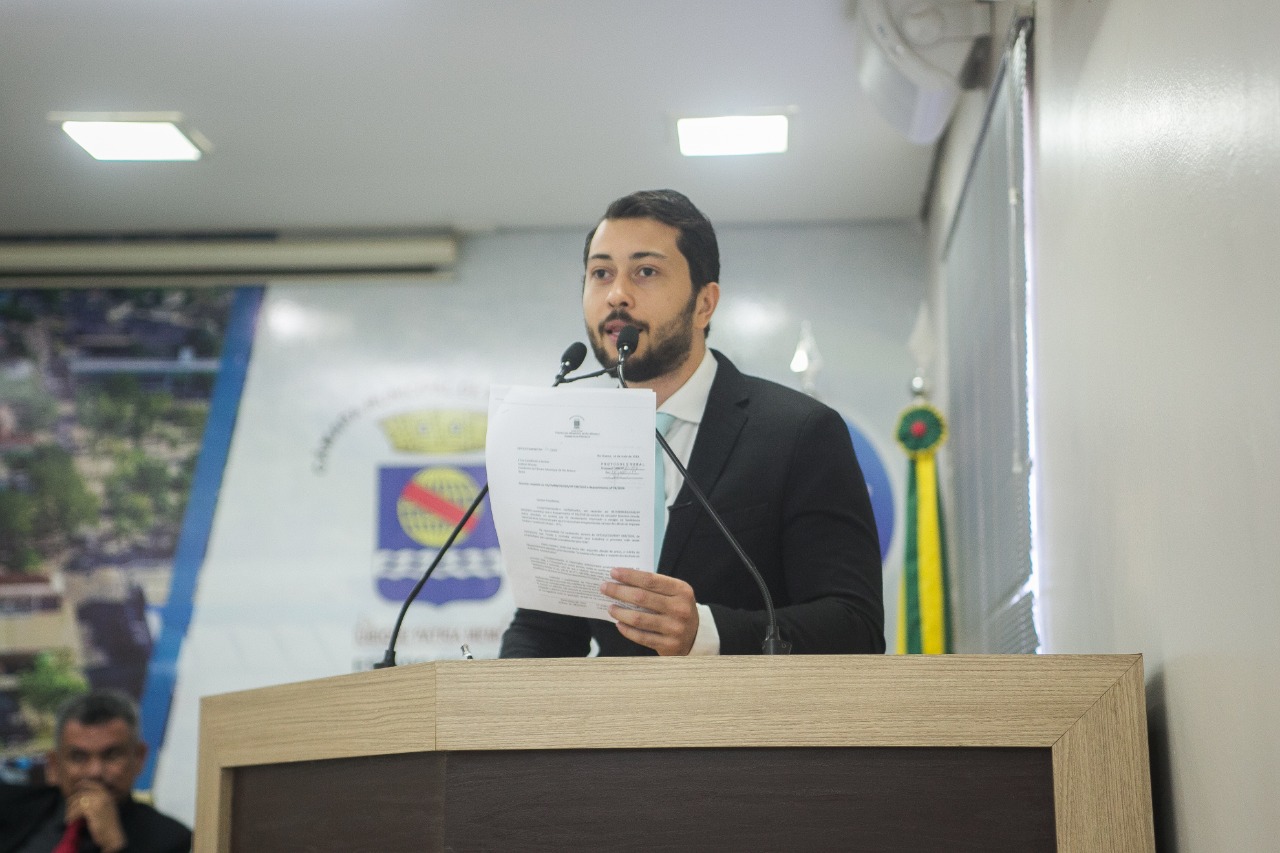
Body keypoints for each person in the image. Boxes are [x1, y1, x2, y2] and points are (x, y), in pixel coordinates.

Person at [499, 189, 884, 657]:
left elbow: (855, 626)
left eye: (645, 271)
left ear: (704, 304)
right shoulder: (571, 448)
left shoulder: (800, 432)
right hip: (613, 709)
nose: (617, 294)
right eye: (601, 273)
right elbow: (545, 630)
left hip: (749, 706)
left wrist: (709, 632)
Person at [0, 690, 191, 853]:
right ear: (55, 764)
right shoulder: (12, 807)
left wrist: (114, 845)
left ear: (139, 758)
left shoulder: (170, 839)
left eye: (112, 755)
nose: (95, 772)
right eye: (78, 757)